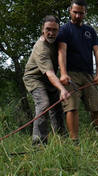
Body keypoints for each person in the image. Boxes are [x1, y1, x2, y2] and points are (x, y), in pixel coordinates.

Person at [57, 0, 98, 142]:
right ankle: (74, 141)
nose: (78, 16)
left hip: (88, 74)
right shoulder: (64, 29)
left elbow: (97, 51)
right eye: (75, 12)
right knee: (71, 107)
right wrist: (63, 73)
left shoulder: (90, 30)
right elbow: (61, 52)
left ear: (85, 13)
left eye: (81, 13)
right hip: (71, 74)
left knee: (96, 107)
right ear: (70, 11)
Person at [23, 15, 70, 146]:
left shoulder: (59, 42)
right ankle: (38, 144)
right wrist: (62, 89)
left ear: (58, 30)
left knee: (57, 108)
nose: (51, 33)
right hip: (34, 78)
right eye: (48, 29)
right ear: (42, 30)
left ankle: (62, 142)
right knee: (43, 104)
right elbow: (49, 73)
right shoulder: (41, 48)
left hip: (50, 80)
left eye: (54, 30)